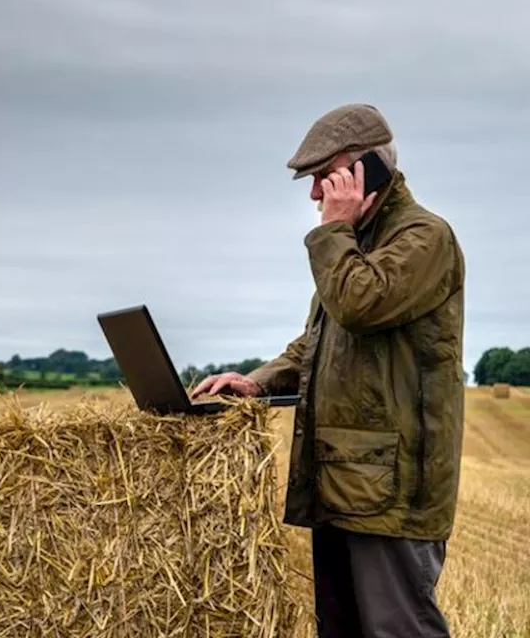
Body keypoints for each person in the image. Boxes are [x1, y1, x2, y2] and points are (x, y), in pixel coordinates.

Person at [191, 103, 465, 638]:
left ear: (368, 171)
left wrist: (332, 230)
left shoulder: (424, 238)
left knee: (398, 629)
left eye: (324, 176)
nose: (316, 195)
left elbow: (358, 305)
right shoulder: (354, 246)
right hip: (346, 483)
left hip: (393, 493)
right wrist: (258, 381)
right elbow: (315, 343)